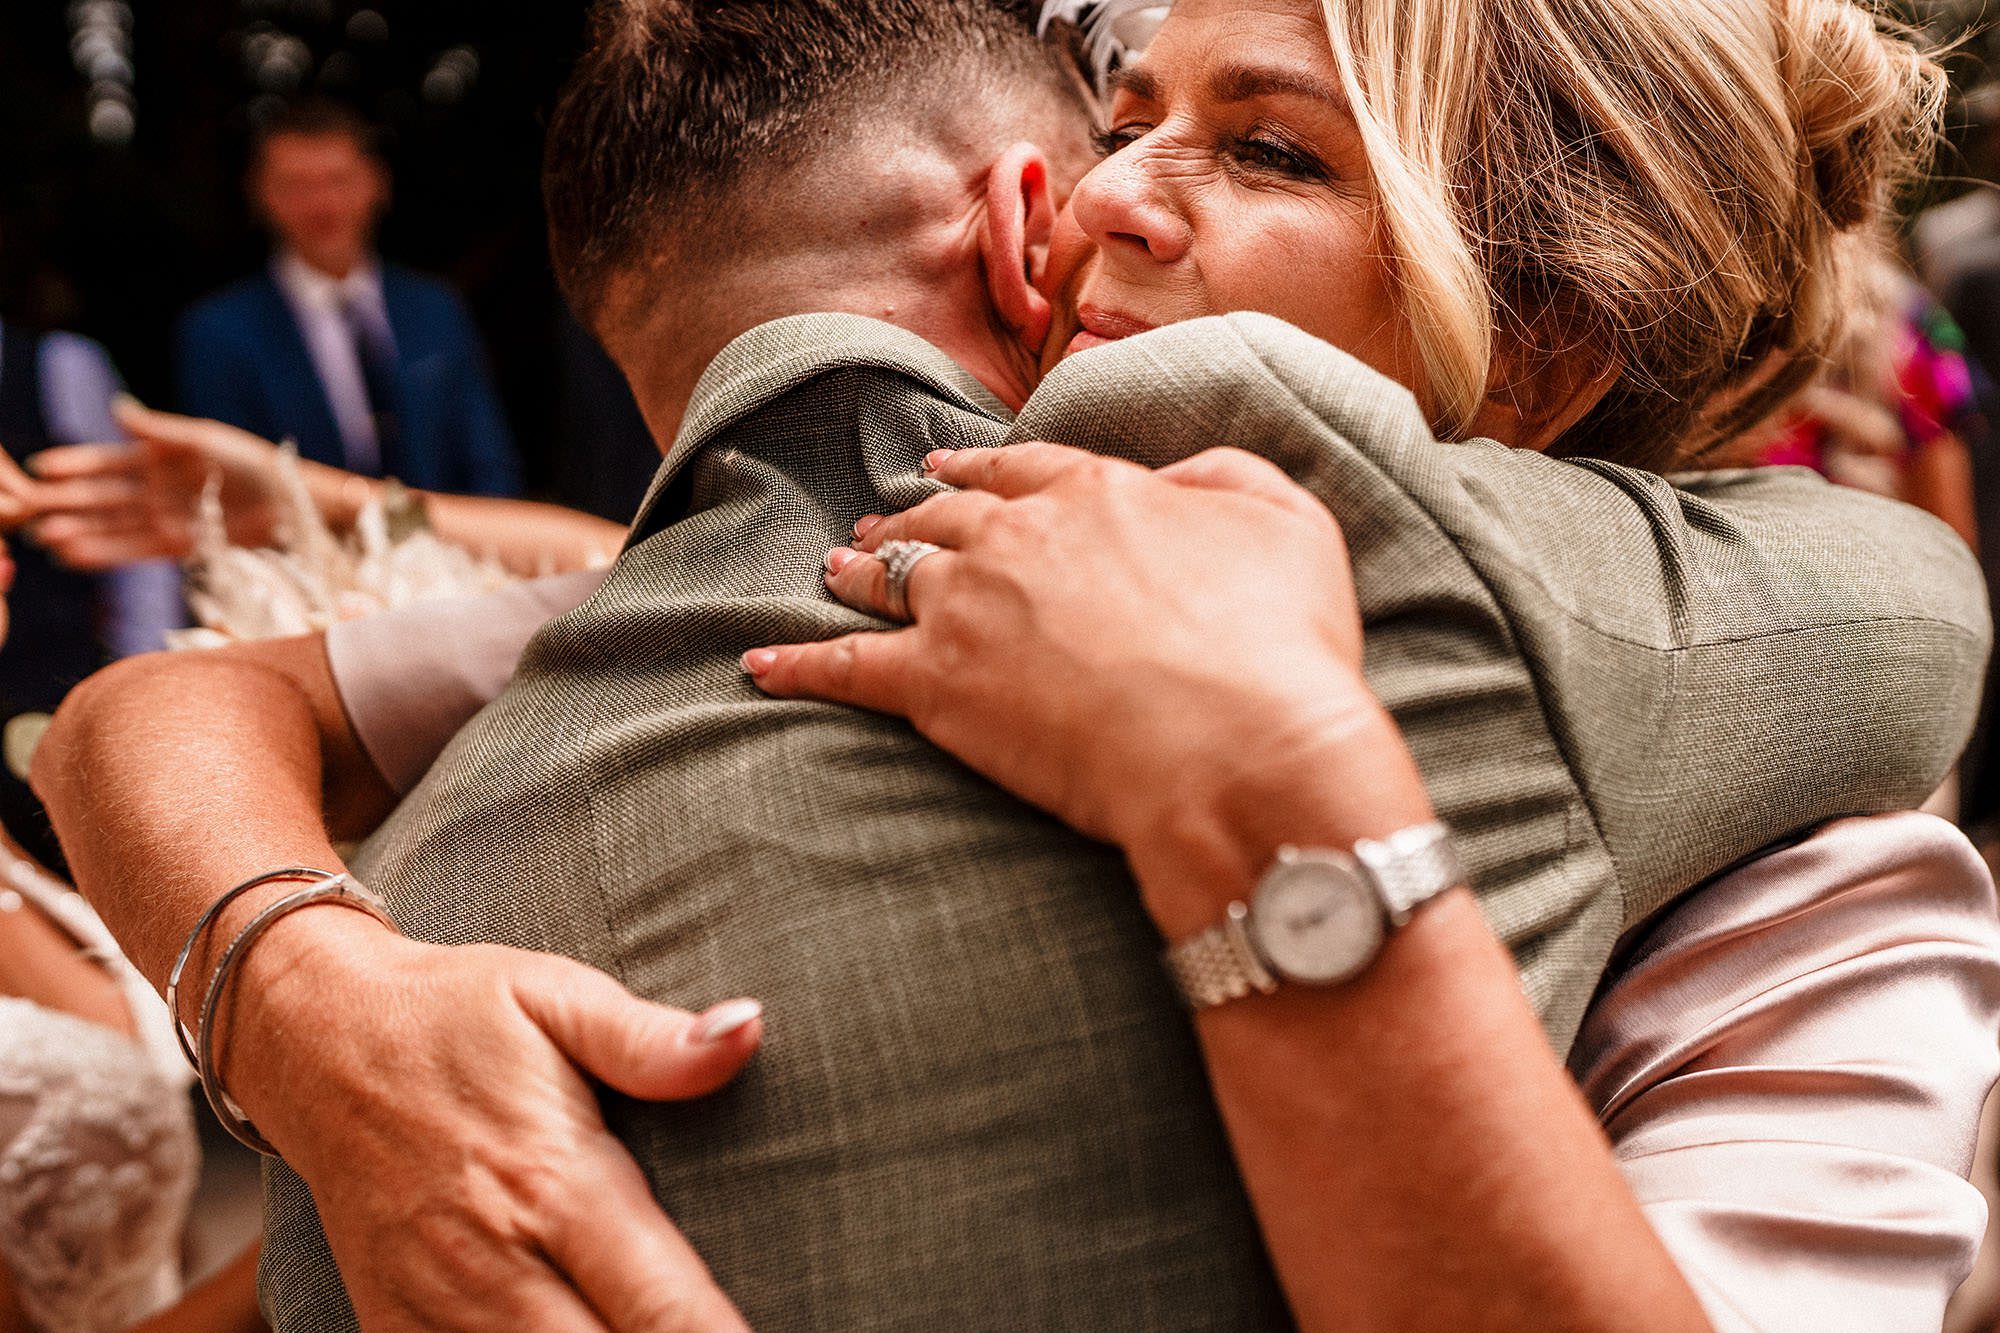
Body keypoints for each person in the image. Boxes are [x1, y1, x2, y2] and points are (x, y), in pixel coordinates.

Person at [31, 0, 1992, 1327]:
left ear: (1545, 343)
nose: (1103, 196)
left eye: (1267, 153)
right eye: (1127, 121)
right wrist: (313, 1003)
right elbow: (173, 706)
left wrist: (1255, 777)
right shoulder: (920, 556)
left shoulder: (1821, 892)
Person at [176, 100, 521, 497]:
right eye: (296, 185)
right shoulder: (219, 333)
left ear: (377, 183)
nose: (322, 204)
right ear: (261, 194)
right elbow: (231, 486)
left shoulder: (435, 309)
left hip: (448, 532)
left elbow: (489, 463)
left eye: (339, 180)